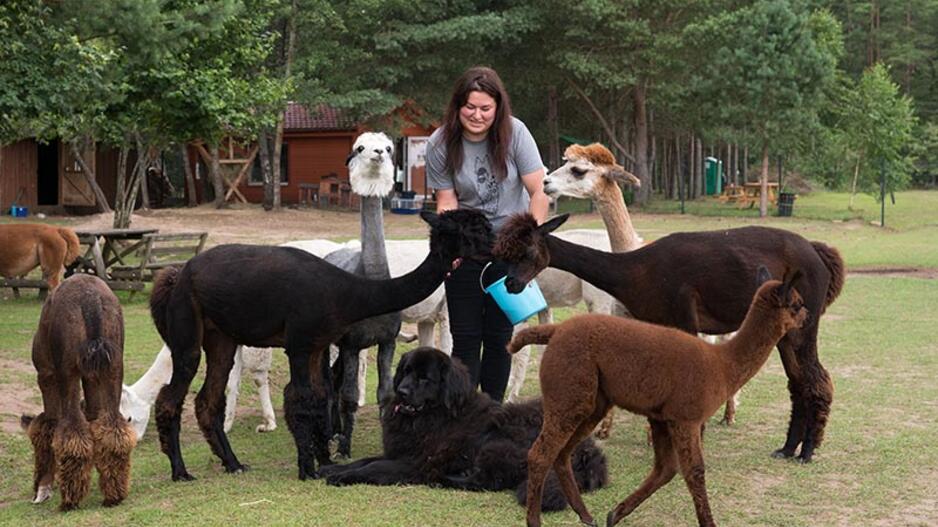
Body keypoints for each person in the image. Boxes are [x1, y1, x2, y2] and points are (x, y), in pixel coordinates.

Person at [426, 66, 548, 402]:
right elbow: (447, 202)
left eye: (485, 108)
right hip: (468, 248)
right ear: (457, 106)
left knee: (499, 337)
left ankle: (492, 411)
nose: (477, 115)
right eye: (470, 107)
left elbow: (539, 190)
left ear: (498, 108)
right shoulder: (439, 143)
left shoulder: (516, 133)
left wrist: (529, 241)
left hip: (509, 248)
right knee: (464, 337)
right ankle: (465, 412)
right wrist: (450, 249)